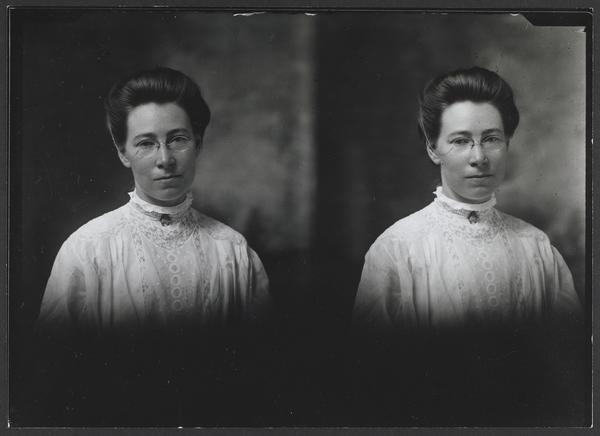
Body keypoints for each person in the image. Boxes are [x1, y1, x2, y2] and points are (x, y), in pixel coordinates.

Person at [37, 67, 270, 335]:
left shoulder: (233, 251)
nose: (165, 159)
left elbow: (263, 352)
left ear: (198, 144)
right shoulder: (87, 248)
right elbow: (53, 353)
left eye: (178, 139)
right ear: (123, 153)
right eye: (146, 143)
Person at [353, 66, 582, 332]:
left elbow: (569, 347)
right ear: (433, 149)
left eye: (491, 139)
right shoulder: (396, 250)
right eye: (461, 141)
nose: (479, 157)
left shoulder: (536, 247)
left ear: (507, 143)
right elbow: (372, 354)